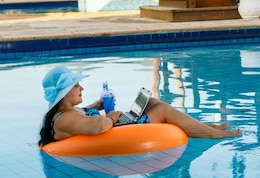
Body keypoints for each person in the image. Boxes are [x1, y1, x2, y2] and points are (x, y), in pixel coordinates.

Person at [39, 65, 242, 147]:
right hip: (117, 129)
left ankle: (208, 127)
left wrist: (97, 105)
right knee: (161, 110)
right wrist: (112, 116)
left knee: (152, 101)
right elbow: (99, 127)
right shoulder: (65, 118)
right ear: (64, 93)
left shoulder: (67, 112)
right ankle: (214, 134)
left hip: (120, 124)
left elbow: (81, 116)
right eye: (76, 86)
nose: (81, 88)